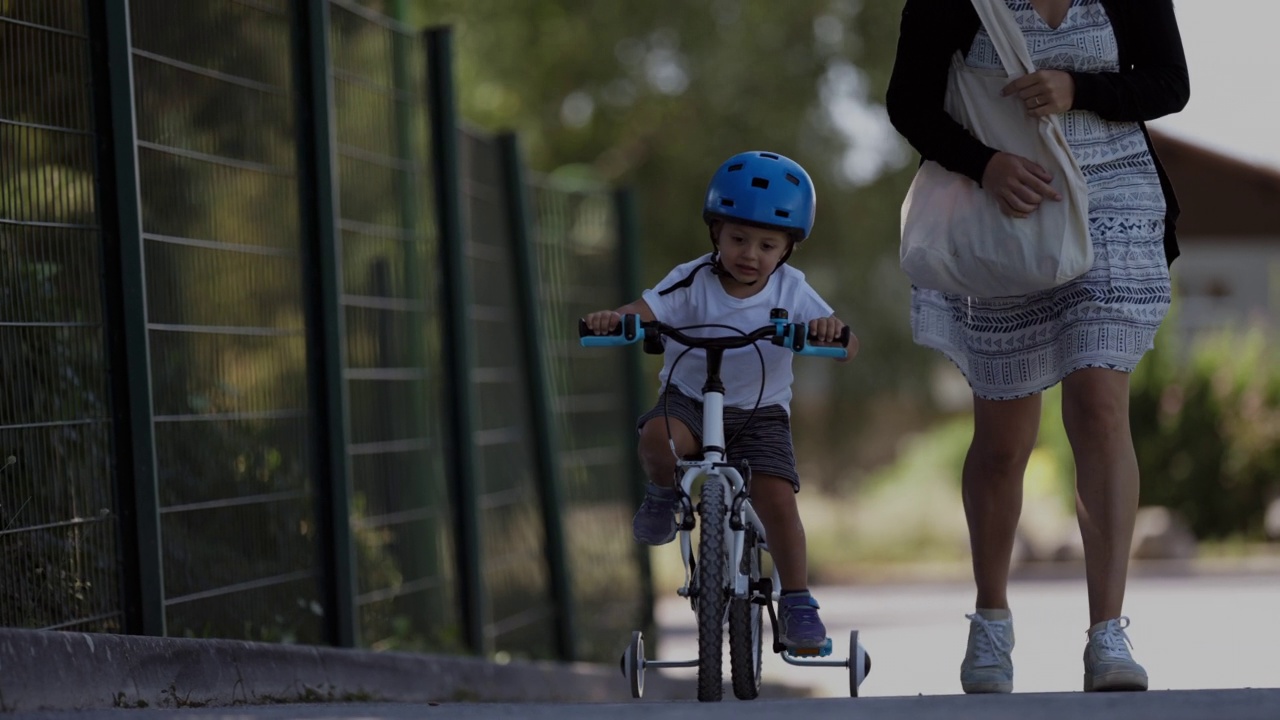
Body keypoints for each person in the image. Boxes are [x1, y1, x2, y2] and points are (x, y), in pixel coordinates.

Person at [885, 0, 1189, 694]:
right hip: (1005, 214)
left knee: (1099, 403)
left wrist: (1078, 88)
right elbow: (909, 103)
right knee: (1002, 440)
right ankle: (991, 619)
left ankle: (1107, 634)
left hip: (1114, 201)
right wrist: (984, 163)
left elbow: (1169, 85)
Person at [582, 150, 857, 651]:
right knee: (656, 439)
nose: (750, 253)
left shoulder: (793, 290)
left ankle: (797, 600)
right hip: (688, 398)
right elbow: (643, 310)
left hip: (761, 412)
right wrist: (615, 320)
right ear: (715, 233)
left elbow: (846, 344)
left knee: (777, 501)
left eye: (767, 244)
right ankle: (663, 494)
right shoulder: (691, 279)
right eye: (737, 238)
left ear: (787, 249)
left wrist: (828, 332)